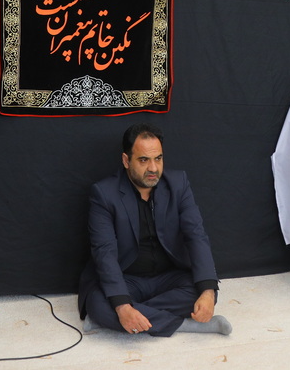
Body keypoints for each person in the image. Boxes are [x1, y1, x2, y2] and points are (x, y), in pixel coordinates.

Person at [78, 123, 231, 337]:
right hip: (127, 277)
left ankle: (117, 318)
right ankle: (186, 325)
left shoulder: (178, 184)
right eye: (143, 160)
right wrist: (122, 305)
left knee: (204, 290)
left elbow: (196, 235)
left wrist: (207, 291)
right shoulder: (104, 193)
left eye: (158, 159)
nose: (153, 168)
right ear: (126, 160)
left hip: (169, 277)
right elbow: (104, 252)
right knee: (99, 302)